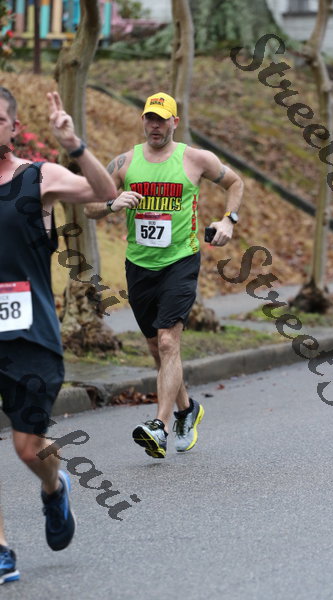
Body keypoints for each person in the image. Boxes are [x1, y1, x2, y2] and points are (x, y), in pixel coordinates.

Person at [0, 87, 117, 584]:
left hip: (31, 335)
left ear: (13, 126)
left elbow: (104, 193)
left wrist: (74, 145)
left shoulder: (38, 177)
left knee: (29, 449)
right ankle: (2, 548)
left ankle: (54, 488)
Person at [85, 91, 244, 459]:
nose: (155, 126)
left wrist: (228, 221)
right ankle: (188, 409)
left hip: (180, 261)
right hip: (139, 265)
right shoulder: (124, 162)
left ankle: (159, 426)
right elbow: (89, 205)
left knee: (169, 342)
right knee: (157, 349)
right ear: (143, 121)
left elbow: (235, 182)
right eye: (150, 118)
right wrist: (111, 203)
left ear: (175, 122)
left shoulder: (196, 159)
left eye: (162, 119)